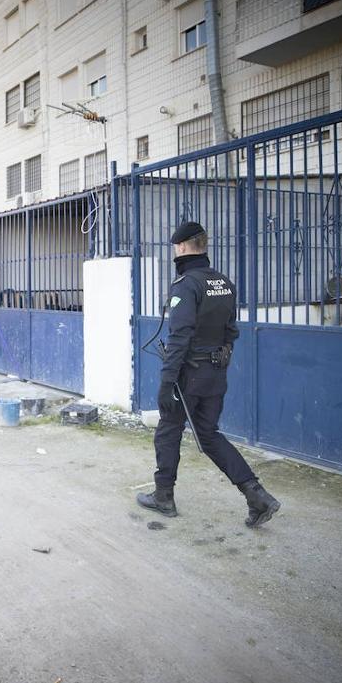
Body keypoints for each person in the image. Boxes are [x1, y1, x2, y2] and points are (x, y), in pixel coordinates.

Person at [136, 221, 281, 528]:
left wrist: (166, 381)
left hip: (188, 374)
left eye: (176, 247)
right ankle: (257, 495)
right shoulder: (225, 283)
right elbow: (231, 332)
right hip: (216, 372)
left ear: (183, 247)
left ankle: (164, 496)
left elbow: (179, 336)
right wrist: (219, 361)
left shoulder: (187, 285)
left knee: (168, 430)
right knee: (209, 435)